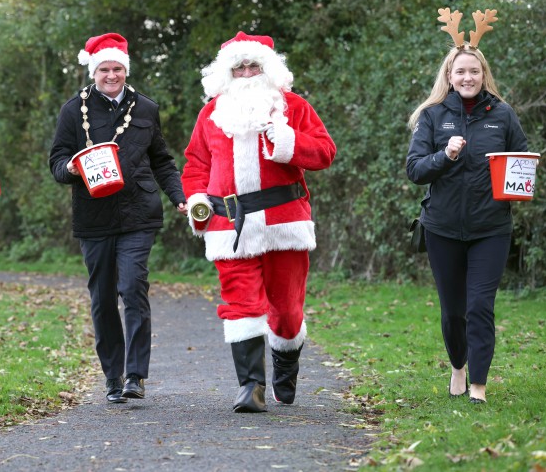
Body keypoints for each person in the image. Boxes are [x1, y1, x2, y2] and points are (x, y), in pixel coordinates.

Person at [181, 31, 337, 412]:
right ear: (227, 73)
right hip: (227, 224)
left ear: (269, 68)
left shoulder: (294, 107)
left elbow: (325, 152)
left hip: (284, 222)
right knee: (241, 304)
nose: (247, 72)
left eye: (254, 65)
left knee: (286, 311)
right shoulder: (211, 113)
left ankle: (286, 366)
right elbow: (196, 166)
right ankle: (250, 386)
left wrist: (288, 140)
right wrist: (198, 198)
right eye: (239, 66)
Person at [48, 33, 187, 404]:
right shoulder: (71, 111)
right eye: (105, 69)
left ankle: (136, 375)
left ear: (126, 70)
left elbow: (162, 159)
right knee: (103, 298)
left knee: (132, 286)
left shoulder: (145, 109)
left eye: (118, 69)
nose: (112, 75)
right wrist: (72, 169)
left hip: (139, 213)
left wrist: (179, 197)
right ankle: (113, 376)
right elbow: (57, 160)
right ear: (94, 71)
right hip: (93, 217)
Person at [406, 9, 527, 404]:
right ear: (449, 76)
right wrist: (446, 155)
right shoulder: (432, 116)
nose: (467, 78)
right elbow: (415, 170)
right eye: (460, 72)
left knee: (479, 306)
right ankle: (457, 366)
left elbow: (522, 164)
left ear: (483, 74)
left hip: (491, 228)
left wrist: (519, 183)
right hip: (441, 228)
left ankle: (478, 386)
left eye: (474, 71)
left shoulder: (503, 115)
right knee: (453, 311)